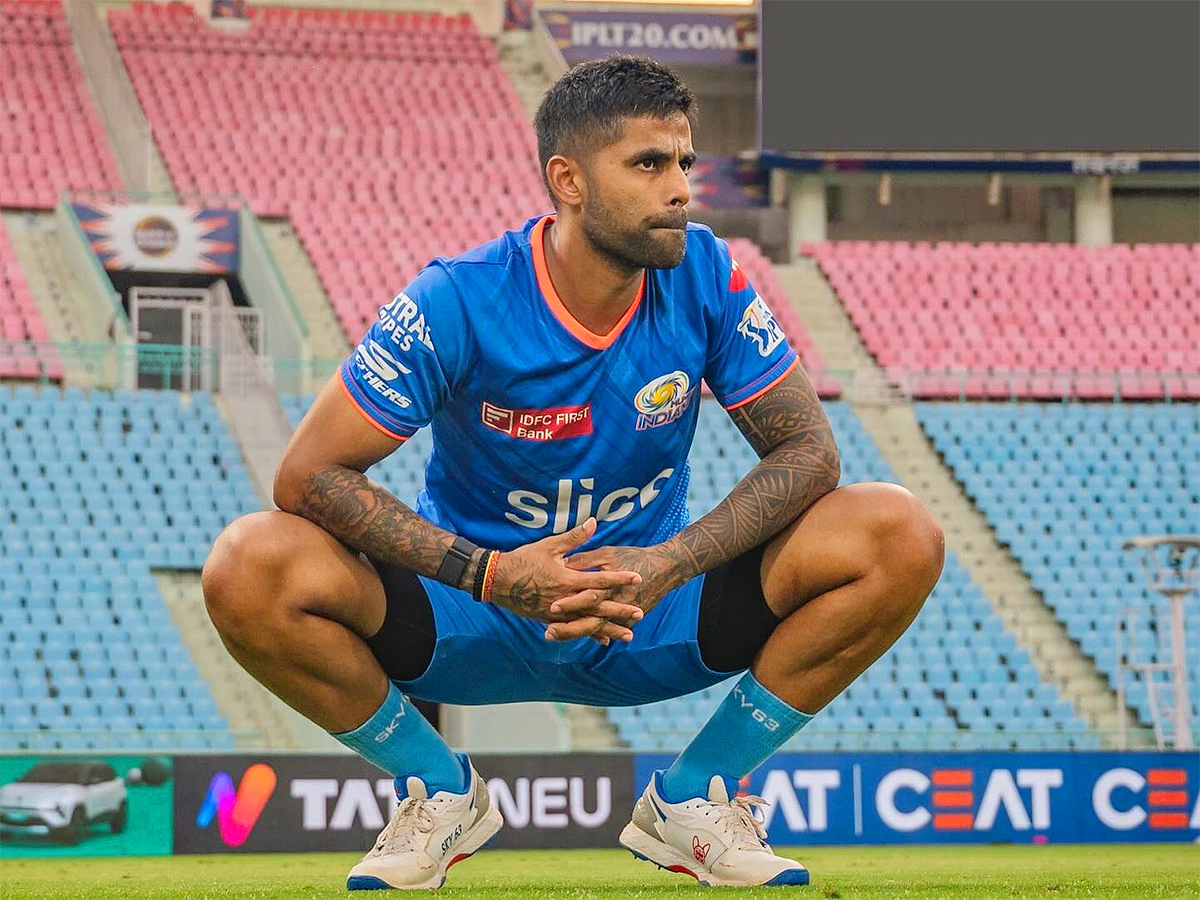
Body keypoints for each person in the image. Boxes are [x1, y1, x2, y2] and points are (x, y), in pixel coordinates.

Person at [201, 56, 944, 891]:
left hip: (647, 610)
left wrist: (669, 562)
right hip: (468, 612)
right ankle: (437, 791)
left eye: (685, 162)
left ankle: (696, 796)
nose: (681, 189)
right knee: (247, 563)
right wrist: (492, 575)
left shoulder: (705, 273)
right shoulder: (459, 297)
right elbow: (307, 477)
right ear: (569, 180)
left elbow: (809, 452)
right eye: (648, 164)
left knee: (896, 532)